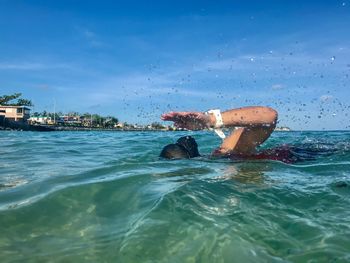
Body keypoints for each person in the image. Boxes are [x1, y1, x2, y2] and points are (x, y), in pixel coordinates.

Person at [159, 106, 299, 163]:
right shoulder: (225, 153)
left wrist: (211, 120)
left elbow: (268, 115)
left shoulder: (227, 152)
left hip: (308, 154)